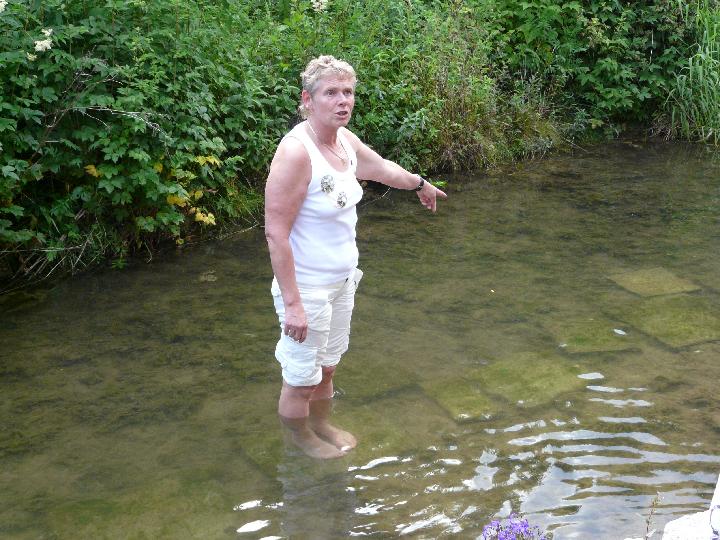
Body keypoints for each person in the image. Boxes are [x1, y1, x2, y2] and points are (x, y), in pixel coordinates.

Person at [265, 55, 447, 459]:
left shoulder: (344, 141)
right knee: (301, 378)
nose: (342, 100)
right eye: (331, 92)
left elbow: (380, 168)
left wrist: (419, 183)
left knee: (328, 366)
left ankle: (321, 424)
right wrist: (293, 304)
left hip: (343, 280)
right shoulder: (296, 153)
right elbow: (276, 233)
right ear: (308, 100)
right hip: (307, 288)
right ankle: (299, 439)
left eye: (347, 92)